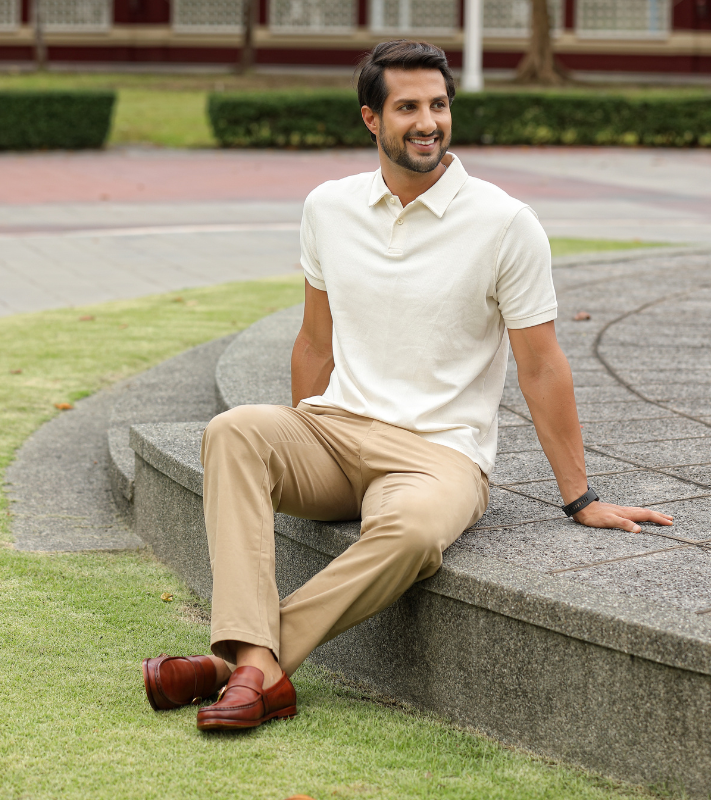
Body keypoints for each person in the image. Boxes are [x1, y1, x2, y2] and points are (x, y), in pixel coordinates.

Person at [141, 39, 673, 730]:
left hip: (440, 455)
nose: (428, 121)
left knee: (415, 533)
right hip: (335, 432)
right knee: (233, 429)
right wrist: (303, 431)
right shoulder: (328, 208)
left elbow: (541, 365)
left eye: (439, 105)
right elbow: (314, 340)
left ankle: (243, 668)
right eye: (409, 107)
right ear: (372, 119)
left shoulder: (503, 222)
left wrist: (583, 498)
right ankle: (253, 667)